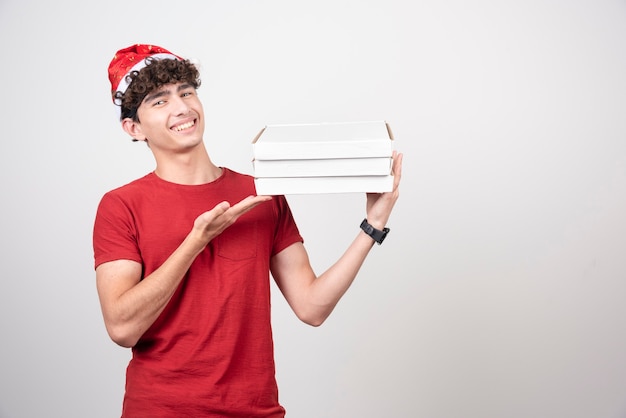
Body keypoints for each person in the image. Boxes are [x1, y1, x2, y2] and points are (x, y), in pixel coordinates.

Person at [93, 43, 403, 418]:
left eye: (186, 92)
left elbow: (312, 307)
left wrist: (373, 225)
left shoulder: (259, 193)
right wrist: (197, 241)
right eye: (159, 101)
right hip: (162, 410)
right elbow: (122, 327)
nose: (182, 108)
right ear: (133, 127)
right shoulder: (121, 205)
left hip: (255, 411)